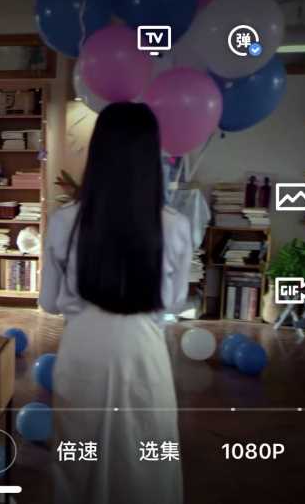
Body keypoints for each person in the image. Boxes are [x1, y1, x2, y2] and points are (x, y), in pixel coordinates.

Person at [39, 102, 192, 504]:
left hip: (82, 350)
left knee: (78, 461)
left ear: (98, 152)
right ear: (151, 156)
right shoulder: (175, 225)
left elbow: (49, 302)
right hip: (144, 352)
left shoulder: (64, 221)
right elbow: (175, 301)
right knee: (147, 459)